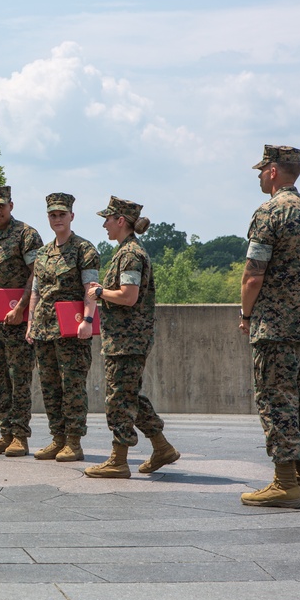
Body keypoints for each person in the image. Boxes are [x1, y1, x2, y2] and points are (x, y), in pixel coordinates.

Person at [239, 145, 300, 509]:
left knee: (277, 401)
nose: (259, 175)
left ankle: (284, 484)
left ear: (273, 171)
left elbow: (253, 274)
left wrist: (246, 315)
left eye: (262, 170)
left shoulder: (269, 212)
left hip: (275, 326)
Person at [84, 196, 180, 478]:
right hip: (124, 340)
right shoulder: (126, 251)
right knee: (129, 398)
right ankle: (162, 448)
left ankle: (118, 460)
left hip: (127, 342)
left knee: (118, 400)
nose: (104, 224)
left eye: (108, 219)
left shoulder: (130, 255)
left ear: (121, 221)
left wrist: (99, 292)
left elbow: (128, 296)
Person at [26, 193, 99, 462]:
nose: (57, 219)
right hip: (44, 330)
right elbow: (36, 291)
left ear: (71, 216)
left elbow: (90, 290)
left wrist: (89, 321)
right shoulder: (43, 253)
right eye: (52, 215)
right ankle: (57, 438)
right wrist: (31, 323)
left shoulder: (84, 249)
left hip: (72, 330)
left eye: (61, 214)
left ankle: (73, 442)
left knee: (72, 387)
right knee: (50, 386)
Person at [0, 185, 43, 457]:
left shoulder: (26, 235)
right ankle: (5, 433)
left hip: (17, 318)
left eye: (1, 205)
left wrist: (22, 307)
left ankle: (20, 436)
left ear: (11, 206)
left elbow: (36, 275)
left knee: (19, 378)